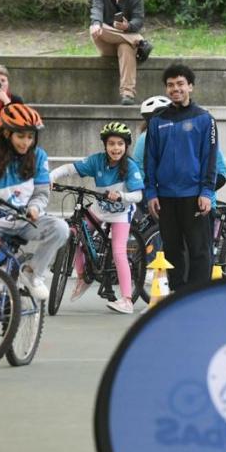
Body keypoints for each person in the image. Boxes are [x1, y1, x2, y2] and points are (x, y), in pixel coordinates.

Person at [0, 104, 69, 349]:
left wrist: (36, 208)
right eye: (20, 136)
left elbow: (41, 192)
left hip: (28, 220)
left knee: (61, 228)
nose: (26, 142)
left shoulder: (39, 156)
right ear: (7, 134)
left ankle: (32, 273)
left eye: (30, 136)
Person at [49, 122, 144, 314]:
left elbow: (139, 196)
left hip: (120, 213)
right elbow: (70, 168)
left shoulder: (130, 167)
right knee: (73, 233)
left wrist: (122, 196)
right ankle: (83, 276)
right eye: (111, 144)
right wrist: (52, 176)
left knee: (118, 252)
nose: (115, 148)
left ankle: (126, 300)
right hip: (100, 208)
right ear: (105, 145)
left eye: (119, 144)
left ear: (126, 146)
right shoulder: (98, 161)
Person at [144, 64, 217, 292]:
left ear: (190, 87)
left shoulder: (205, 119)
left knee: (199, 249)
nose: (175, 89)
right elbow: (150, 160)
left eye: (180, 84)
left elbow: (210, 158)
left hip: (193, 196)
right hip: (165, 197)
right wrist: (151, 193)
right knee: (172, 249)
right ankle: (177, 293)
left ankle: (197, 296)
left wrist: (206, 192)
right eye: (170, 85)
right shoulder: (157, 121)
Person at [89, 0, 152, 105]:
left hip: (125, 41)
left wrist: (127, 26)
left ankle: (128, 95)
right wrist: (97, 23)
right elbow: (96, 11)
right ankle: (139, 41)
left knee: (125, 46)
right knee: (95, 28)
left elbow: (138, 21)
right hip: (106, 40)